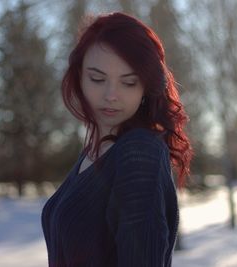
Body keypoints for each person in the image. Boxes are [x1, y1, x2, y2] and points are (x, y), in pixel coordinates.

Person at [41, 11, 193, 267]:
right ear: (79, 77)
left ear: (145, 88)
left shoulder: (138, 153)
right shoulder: (95, 151)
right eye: (97, 79)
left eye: (129, 82)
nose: (111, 95)